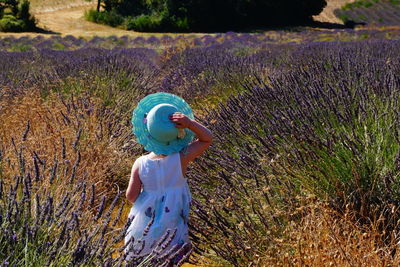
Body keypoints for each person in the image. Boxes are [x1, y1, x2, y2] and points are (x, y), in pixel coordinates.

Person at [124, 92, 212, 266]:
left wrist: (148, 197)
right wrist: (190, 124)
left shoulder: (140, 163)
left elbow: (131, 196)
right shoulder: (181, 158)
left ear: (148, 133)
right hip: (173, 220)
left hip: (144, 220)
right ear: (179, 133)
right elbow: (207, 138)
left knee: (143, 255)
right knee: (171, 254)